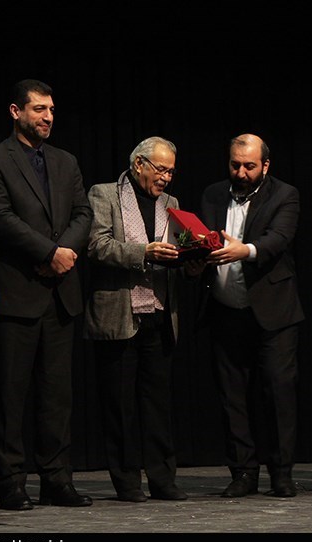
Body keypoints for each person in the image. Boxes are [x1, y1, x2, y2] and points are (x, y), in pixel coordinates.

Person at [0, 79, 93, 510]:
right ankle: (10, 481)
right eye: (39, 109)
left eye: (51, 110)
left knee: (56, 397)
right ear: (16, 111)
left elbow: (83, 213)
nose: (48, 117)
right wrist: (47, 253)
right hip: (18, 292)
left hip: (61, 293)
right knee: (10, 396)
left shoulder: (65, 160)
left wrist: (64, 253)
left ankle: (57, 480)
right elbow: (0, 217)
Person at [84, 136, 197, 502]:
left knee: (158, 405)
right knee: (120, 406)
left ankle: (164, 479)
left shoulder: (171, 204)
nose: (166, 178)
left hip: (160, 315)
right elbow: (96, 246)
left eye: (171, 172)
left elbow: (177, 252)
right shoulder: (105, 194)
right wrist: (143, 252)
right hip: (120, 314)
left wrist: (193, 259)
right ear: (138, 164)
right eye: (161, 169)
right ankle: (127, 481)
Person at [199, 133, 304, 498]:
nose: (241, 173)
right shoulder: (213, 194)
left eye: (249, 166)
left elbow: (279, 238)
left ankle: (281, 473)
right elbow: (205, 241)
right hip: (226, 311)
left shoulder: (284, 194)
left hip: (274, 313)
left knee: (278, 394)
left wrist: (246, 250)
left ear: (265, 166)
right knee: (233, 397)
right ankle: (243, 472)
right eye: (235, 165)